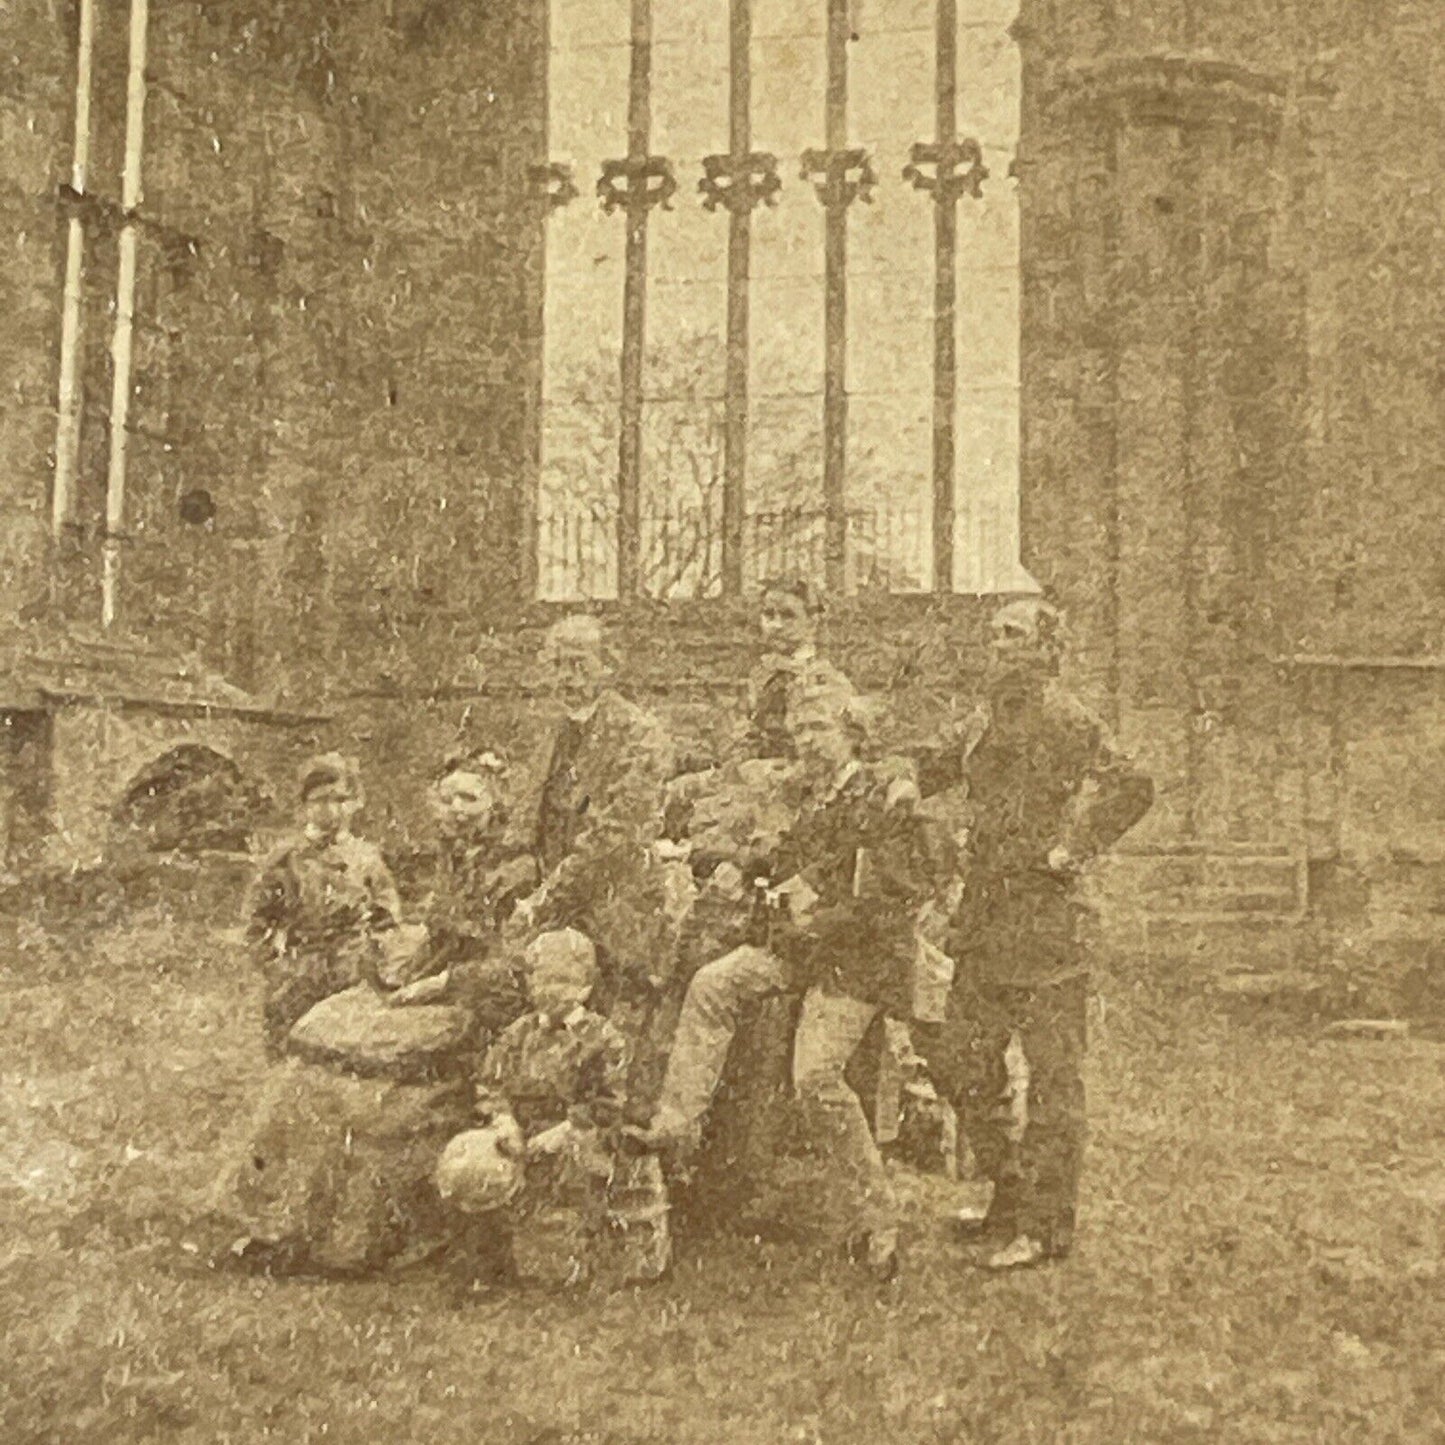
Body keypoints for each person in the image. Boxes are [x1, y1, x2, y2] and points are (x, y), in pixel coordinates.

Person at [629, 680, 951, 1279]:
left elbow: (890, 905)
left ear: (851, 733)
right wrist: (728, 865)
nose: (806, 739)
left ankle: (877, 1213)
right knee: (713, 983)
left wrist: (810, 920)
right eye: (799, 729)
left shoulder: (883, 801)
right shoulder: (813, 797)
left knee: (815, 1078)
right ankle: (676, 1123)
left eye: (818, 728)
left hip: (856, 962)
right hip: (801, 948)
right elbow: (782, 860)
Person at [915, 598, 1154, 1271]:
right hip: (988, 918)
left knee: (1052, 1078)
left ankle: (1044, 1227)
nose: (996, 644)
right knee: (961, 1057)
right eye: (993, 634)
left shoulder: (1066, 716)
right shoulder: (986, 715)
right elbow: (933, 766)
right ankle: (1009, 1191)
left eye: (1012, 635)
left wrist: (1072, 847)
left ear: (1046, 649)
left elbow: (1132, 783)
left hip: (1047, 924)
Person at [440, 928, 631, 1290]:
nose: (550, 990)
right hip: (518, 1134)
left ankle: (561, 1258)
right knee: (471, 1166)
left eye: (562, 981)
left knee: (571, 1180)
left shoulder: (603, 1039)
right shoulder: (519, 1033)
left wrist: (561, 1132)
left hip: (572, 1135)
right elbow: (491, 1083)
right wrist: (504, 1121)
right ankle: (484, 1263)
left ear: (586, 986)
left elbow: (607, 1103)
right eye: (541, 979)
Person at [518, 614, 676, 1019]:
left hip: (616, 908)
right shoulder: (550, 734)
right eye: (555, 666)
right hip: (553, 904)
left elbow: (615, 835)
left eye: (578, 665)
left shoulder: (639, 734)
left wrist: (545, 897)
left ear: (608, 666)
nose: (565, 678)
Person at [246, 753, 401, 1058]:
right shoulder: (285, 858)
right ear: (304, 805)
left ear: (354, 802)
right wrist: (278, 966)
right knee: (291, 1060)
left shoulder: (367, 858)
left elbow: (388, 918)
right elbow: (256, 923)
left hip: (353, 975)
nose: (332, 810)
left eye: (341, 799)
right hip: (296, 977)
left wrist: (375, 957)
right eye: (320, 800)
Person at [385, 749, 538, 1040]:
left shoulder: (515, 869)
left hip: (490, 1000)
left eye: (470, 799)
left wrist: (442, 983)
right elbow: (444, 938)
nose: (457, 809)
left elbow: (511, 964)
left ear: (495, 804)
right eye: (447, 799)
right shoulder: (454, 859)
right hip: (448, 986)